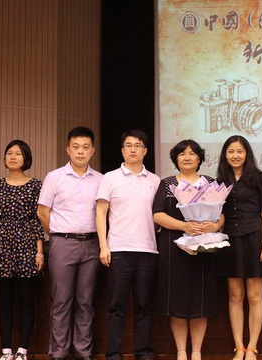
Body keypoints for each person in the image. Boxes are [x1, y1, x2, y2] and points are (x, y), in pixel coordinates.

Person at [153, 140, 225, 360]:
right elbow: (157, 215)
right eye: (182, 154)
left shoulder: (210, 183)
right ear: (175, 159)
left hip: (203, 249)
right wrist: (184, 226)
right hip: (173, 249)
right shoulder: (167, 184)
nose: (187, 157)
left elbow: (222, 215)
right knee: (177, 301)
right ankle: (181, 352)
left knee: (200, 301)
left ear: (199, 159)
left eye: (192, 154)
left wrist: (214, 225)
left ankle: (196, 352)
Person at [37, 126, 103, 360]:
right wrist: (57, 234)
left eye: (85, 147)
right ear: (68, 149)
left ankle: (84, 352)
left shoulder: (101, 180)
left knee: (86, 301)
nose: (80, 152)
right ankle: (59, 352)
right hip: (62, 243)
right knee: (61, 301)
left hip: (92, 244)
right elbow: (43, 211)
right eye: (76, 147)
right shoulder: (54, 177)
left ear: (92, 150)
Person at [96, 129, 161, 360]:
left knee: (144, 306)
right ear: (122, 150)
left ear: (145, 151)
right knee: (116, 306)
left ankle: (144, 352)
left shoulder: (155, 181)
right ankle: (114, 353)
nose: (133, 149)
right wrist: (103, 246)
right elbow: (101, 212)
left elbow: (159, 216)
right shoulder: (109, 178)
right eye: (128, 145)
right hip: (118, 250)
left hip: (148, 250)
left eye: (138, 145)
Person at [216, 135, 262, 360]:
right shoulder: (221, 180)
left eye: (239, 151)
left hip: (255, 238)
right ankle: (239, 347)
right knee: (235, 295)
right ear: (225, 154)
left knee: (255, 296)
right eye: (231, 151)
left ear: (247, 153)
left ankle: (252, 347)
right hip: (230, 240)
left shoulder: (258, 177)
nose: (235, 155)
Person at [0, 140, 44, 360]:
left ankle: (22, 350)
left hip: (27, 246)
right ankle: (6, 350)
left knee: (26, 301)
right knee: (5, 302)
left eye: (18, 154)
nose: (12, 157)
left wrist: (39, 251)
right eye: (9, 153)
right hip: (1, 247)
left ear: (26, 158)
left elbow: (38, 220)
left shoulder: (35, 185)